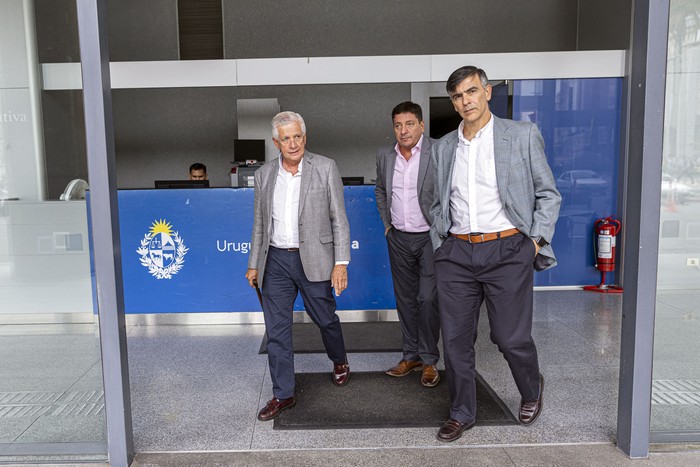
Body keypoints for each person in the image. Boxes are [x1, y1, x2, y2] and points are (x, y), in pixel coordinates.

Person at [429, 66, 561, 442]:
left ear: (487, 92)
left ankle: (531, 387)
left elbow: (548, 194)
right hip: (457, 253)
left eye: (471, 91)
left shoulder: (520, 135)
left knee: (508, 337)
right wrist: (444, 242)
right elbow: (436, 202)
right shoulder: (443, 148)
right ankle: (461, 412)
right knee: (454, 341)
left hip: (507, 249)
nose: (465, 100)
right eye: (457, 96)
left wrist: (533, 242)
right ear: (453, 102)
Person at [246, 111, 351, 421]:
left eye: (297, 136)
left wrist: (340, 263)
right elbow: (259, 224)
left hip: (315, 258)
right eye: (286, 138)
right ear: (276, 142)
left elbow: (339, 219)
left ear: (304, 137)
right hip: (275, 260)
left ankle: (339, 359)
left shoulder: (325, 167)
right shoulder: (265, 175)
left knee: (325, 318)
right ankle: (283, 394)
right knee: (276, 331)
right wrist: (254, 264)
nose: (293, 143)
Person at [375, 101, 440, 388]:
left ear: (421, 125)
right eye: (399, 125)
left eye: (410, 124)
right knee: (405, 300)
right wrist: (387, 225)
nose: (404, 131)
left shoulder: (437, 151)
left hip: (429, 237)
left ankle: (429, 360)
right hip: (399, 237)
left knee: (427, 299)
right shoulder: (385, 155)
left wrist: (443, 230)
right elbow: (380, 190)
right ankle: (410, 355)